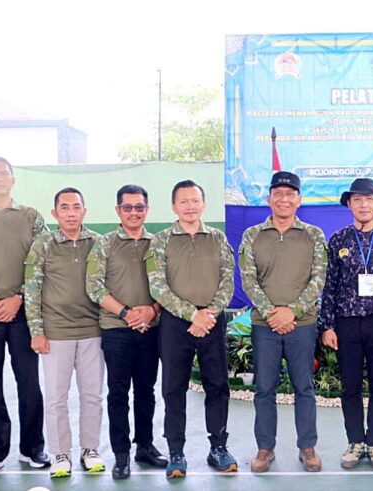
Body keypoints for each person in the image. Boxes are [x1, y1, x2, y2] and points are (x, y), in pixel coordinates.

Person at [145, 180, 236, 478]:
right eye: (183, 201)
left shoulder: (218, 238)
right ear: (174, 206)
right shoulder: (160, 241)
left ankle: (218, 448)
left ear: (203, 204)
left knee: (217, 386)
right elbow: (157, 285)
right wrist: (190, 315)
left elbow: (228, 280)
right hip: (174, 323)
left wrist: (208, 314)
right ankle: (176, 452)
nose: (189, 206)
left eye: (195, 200)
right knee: (173, 388)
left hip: (212, 320)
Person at [239, 171, 328, 473]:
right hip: (265, 326)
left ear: (299, 200)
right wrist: (272, 313)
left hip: (302, 326)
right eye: (278, 193)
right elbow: (248, 281)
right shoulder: (252, 235)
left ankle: (307, 447)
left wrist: (292, 311)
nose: (284, 199)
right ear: (269, 199)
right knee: (264, 389)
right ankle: (265, 449)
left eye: (290, 194)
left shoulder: (313, 234)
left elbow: (318, 278)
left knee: (304, 387)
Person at [320, 177, 373, 470]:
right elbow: (329, 286)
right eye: (357, 199)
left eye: (369, 199)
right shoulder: (339, 240)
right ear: (349, 204)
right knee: (350, 387)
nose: (363, 204)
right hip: (347, 323)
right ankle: (356, 442)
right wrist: (327, 325)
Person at [0, 156, 49, 480]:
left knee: (29, 382)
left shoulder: (32, 217)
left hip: (23, 311)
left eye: (4, 173)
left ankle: (32, 448)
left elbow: (42, 264)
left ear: (13, 180)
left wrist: (18, 298)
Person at [85, 184, 167, 479]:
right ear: (118, 210)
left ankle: (145, 446)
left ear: (147, 209)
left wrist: (152, 311)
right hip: (116, 329)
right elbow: (94, 287)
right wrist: (126, 313)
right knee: (118, 392)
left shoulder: (159, 243)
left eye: (140, 207)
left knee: (146, 390)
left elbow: (169, 285)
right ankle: (121, 455)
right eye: (128, 207)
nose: (134, 212)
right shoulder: (104, 244)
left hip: (151, 328)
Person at [24, 188, 104, 478]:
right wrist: (37, 330)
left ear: (85, 211)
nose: (71, 212)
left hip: (92, 332)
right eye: (65, 207)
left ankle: (90, 450)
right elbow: (32, 289)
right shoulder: (42, 244)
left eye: (76, 207)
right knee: (57, 398)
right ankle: (60, 454)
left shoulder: (98, 242)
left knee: (92, 396)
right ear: (56, 213)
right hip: (55, 333)